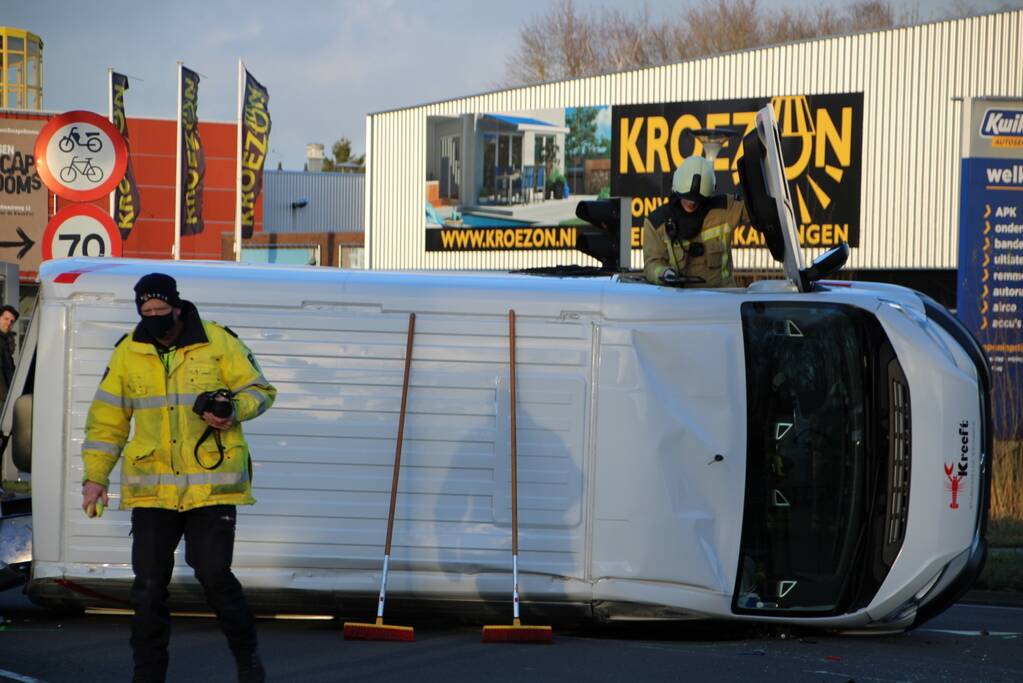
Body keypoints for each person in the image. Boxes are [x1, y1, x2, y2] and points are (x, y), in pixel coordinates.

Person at [80, 273, 276, 683]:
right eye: (146, 311)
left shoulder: (218, 341)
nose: (154, 317)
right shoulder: (127, 351)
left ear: (177, 306)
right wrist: (95, 478)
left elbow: (261, 391)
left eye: (161, 309)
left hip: (211, 487)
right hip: (152, 491)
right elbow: (107, 422)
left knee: (214, 576)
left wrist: (232, 409)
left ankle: (249, 662)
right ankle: (147, 676)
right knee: (149, 588)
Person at [643, 155, 749, 287]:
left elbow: (757, 211)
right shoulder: (656, 224)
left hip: (722, 296)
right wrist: (665, 274)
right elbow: (652, 264)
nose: (691, 203)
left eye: (697, 200)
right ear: (677, 189)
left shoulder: (724, 210)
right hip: (680, 298)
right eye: (687, 198)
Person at [0, 304, 19, 404]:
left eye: (12, 321)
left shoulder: (4, 340)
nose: (8, 323)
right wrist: (7, 399)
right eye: (6, 319)